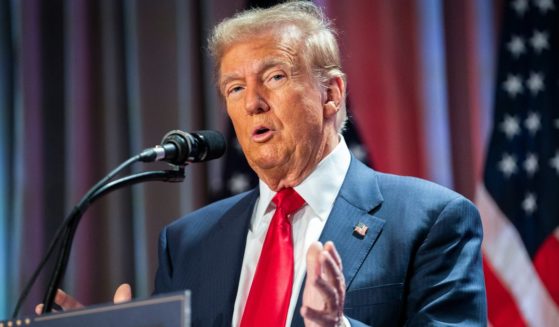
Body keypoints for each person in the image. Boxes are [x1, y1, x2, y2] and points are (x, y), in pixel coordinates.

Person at [39, 2, 487, 326]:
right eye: (234, 88)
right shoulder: (187, 242)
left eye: (274, 77)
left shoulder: (430, 221)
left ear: (331, 93)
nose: (252, 103)